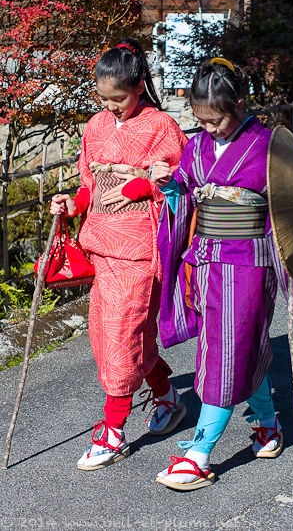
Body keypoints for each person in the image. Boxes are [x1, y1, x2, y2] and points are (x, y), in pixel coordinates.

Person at [150, 58, 293, 491]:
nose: (209, 128)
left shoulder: (269, 145)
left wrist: (291, 259)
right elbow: (183, 190)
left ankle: (198, 453)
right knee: (234, 349)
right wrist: (168, 185)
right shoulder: (196, 146)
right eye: (200, 121)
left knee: (224, 353)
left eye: (216, 119)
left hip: (249, 263)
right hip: (205, 263)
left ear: (240, 104)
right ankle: (269, 425)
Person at [50, 38, 188, 470]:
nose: (111, 107)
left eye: (119, 99)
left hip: (140, 248)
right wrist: (74, 203)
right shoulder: (95, 126)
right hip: (102, 246)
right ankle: (166, 394)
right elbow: (89, 184)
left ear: (140, 86)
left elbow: (179, 174)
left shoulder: (161, 125)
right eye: (104, 99)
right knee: (113, 334)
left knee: (122, 335)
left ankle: (112, 430)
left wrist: (149, 182)